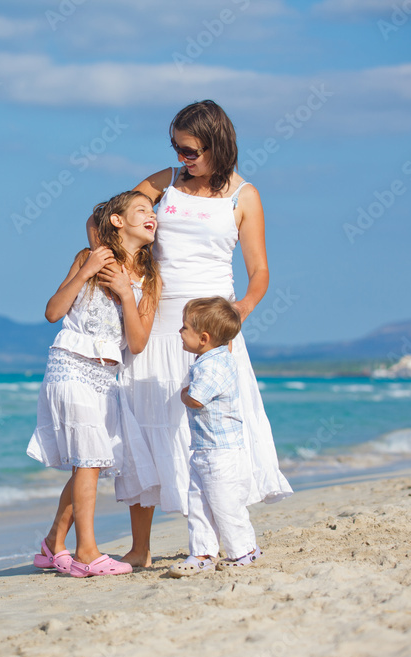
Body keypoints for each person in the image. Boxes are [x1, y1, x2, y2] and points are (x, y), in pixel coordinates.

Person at [87, 100, 293, 569]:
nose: (183, 159)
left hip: (214, 330)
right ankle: (140, 548)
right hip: (156, 320)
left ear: (218, 145)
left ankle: (223, 537)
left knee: (212, 436)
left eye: (191, 150)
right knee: (147, 425)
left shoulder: (245, 196)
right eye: (177, 149)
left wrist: (238, 312)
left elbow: (259, 270)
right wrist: (123, 278)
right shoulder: (163, 184)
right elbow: (103, 222)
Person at [28, 190, 161, 577]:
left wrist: (124, 292)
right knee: (88, 461)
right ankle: (86, 552)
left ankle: (53, 542)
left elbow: (136, 342)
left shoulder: (151, 279)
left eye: (153, 211)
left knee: (91, 464)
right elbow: (53, 312)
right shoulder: (89, 258)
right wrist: (86, 272)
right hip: (69, 366)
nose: (151, 215)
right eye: (141, 210)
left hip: (106, 377)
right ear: (117, 221)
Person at [169, 297, 263, 576]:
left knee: (225, 505)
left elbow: (197, 399)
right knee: (197, 502)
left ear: (204, 338)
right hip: (205, 449)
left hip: (222, 453)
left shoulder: (214, 365)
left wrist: (184, 393)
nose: (180, 332)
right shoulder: (210, 358)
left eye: (185, 328)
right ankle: (202, 552)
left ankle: (243, 550)